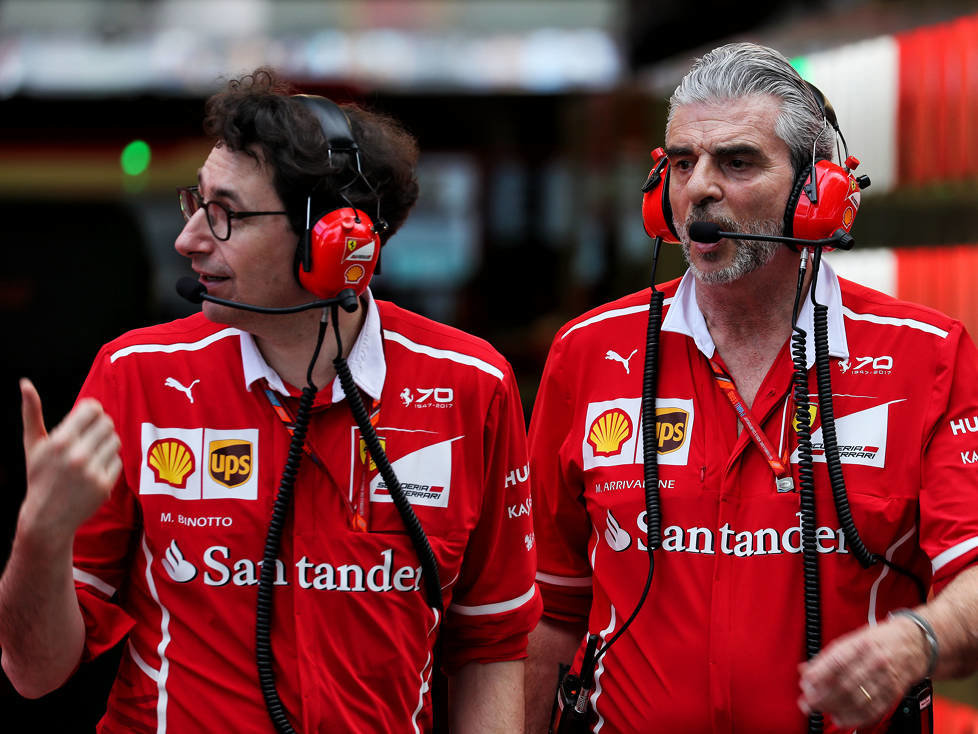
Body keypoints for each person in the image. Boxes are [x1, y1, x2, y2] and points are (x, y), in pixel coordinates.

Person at [0, 67, 541, 733]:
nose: (189, 238)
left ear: (334, 238)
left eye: (224, 214)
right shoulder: (137, 373)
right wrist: (39, 537)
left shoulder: (471, 384)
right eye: (194, 204)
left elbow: (490, 649)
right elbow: (35, 672)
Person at [524, 42, 978, 733]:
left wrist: (916, 641)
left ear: (817, 193)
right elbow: (548, 611)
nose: (699, 187)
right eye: (681, 163)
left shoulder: (929, 357)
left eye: (737, 161)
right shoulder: (588, 352)